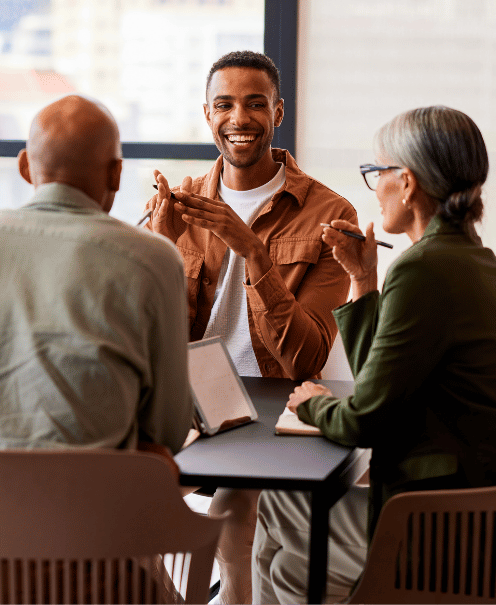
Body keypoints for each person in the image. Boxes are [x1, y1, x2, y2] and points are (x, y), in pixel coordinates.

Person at [254, 106, 496, 605]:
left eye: (375, 172)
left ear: (406, 183)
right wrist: (363, 280)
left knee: (284, 539)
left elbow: (366, 419)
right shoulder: (483, 265)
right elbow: (380, 383)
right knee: (285, 539)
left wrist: (309, 402)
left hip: (442, 528)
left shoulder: (424, 270)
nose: (372, 185)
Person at [146, 50, 357, 604]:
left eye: (255, 104)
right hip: (192, 406)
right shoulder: (179, 201)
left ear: (278, 112)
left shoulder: (328, 214)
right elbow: (138, 330)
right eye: (225, 104)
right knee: (112, 498)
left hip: (272, 409)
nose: (239, 118)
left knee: (232, 516)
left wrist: (251, 249)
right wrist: (158, 247)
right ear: (208, 114)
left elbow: (306, 358)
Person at [0, 94, 194, 458]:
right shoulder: (152, 258)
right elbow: (167, 430)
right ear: (116, 173)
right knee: (233, 499)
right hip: (80, 504)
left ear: (26, 166)